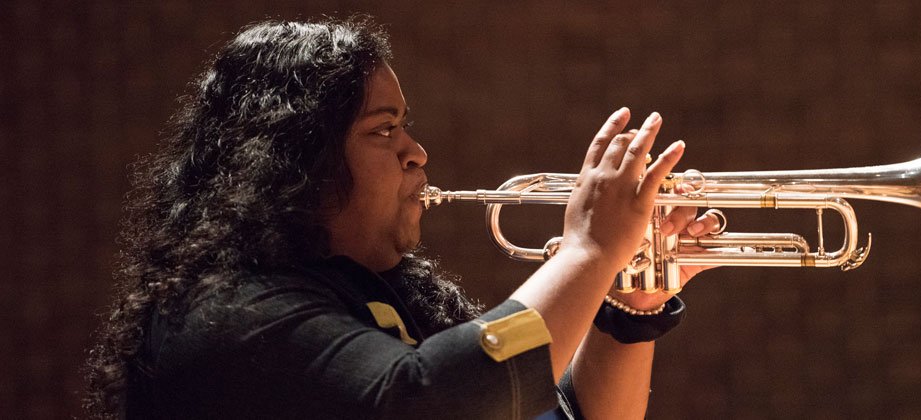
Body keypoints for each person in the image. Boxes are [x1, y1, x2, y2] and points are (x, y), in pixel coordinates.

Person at [83, 17, 722, 419]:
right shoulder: (231, 314)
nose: (416, 152)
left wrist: (628, 306)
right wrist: (587, 253)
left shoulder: (381, 295)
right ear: (296, 160)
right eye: (383, 129)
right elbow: (424, 400)